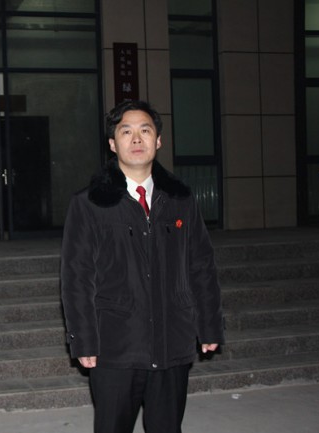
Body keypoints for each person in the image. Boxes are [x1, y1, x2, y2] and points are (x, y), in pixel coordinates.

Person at [60, 99, 224, 433]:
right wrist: (83, 339)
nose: (137, 139)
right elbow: (77, 277)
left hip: (172, 341)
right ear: (112, 143)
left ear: (158, 140)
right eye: (126, 132)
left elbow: (201, 266)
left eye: (145, 131)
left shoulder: (180, 200)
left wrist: (209, 323)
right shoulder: (89, 204)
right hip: (115, 347)